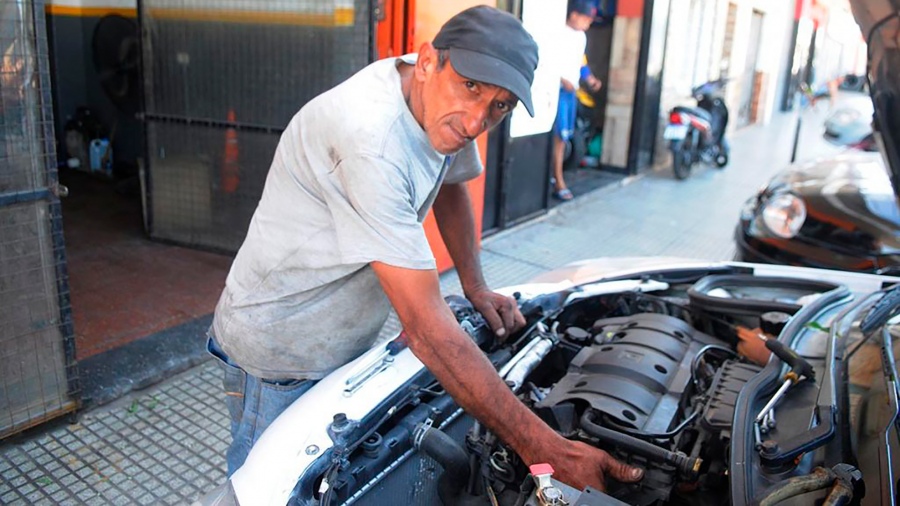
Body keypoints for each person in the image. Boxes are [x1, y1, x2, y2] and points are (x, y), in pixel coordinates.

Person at [208, 5, 643, 492]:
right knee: (268, 491)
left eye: (499, 106)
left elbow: (452, 182)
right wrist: (548, 448)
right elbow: (427, 330)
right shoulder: (370, 140)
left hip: (337, 341)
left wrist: (476, 286)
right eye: (472, 87)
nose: (478, 120)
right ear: (428, 59)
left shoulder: (440, 103)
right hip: (279, 350)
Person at [551, 0, 603, 201]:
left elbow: (581, 62)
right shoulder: (557, 32)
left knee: (563, 136)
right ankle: (557, 179)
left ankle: (556, 176)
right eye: (586, 18)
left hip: (570, 92)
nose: (588, 23)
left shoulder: (581, 37)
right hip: (553, 90)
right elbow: (546, 59)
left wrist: (590, 79)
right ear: (573, 15)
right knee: (556, 135)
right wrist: (562, 79)